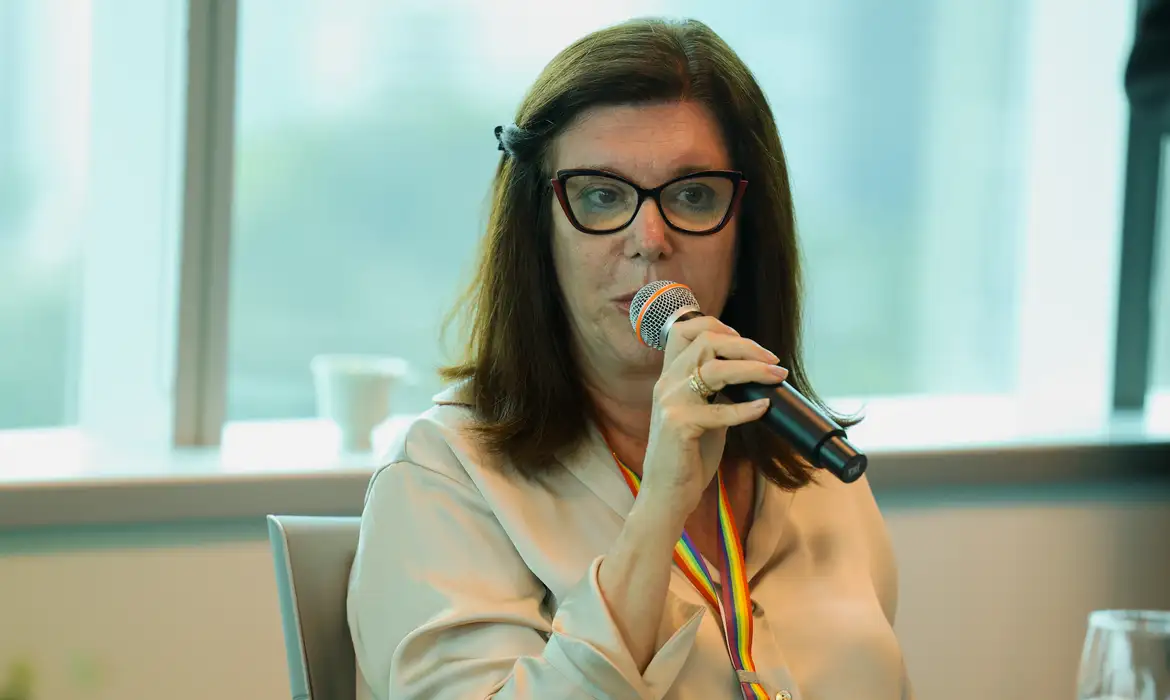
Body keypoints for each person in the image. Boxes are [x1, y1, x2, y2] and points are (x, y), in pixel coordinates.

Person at [347, 16, 913, 700]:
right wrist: (659, 508)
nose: (650, 238)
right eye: (601, 195)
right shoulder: (444, 476)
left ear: (747, 231)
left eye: (693, 195)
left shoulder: (811, 465)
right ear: (538, 232)